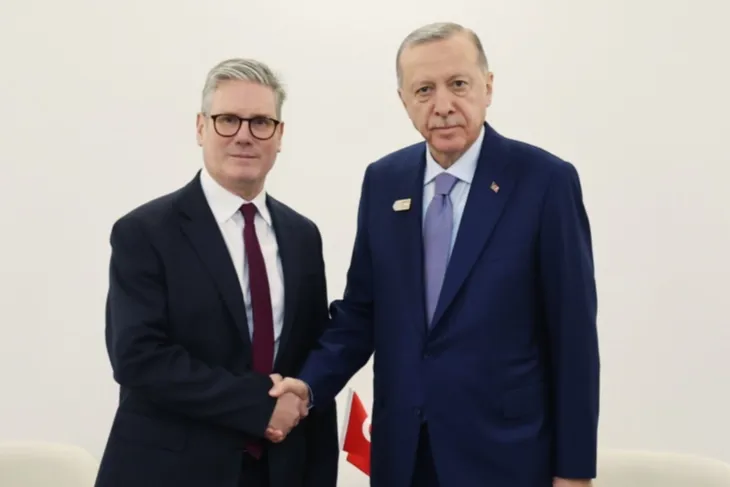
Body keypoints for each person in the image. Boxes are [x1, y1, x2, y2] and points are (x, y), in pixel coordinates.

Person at [269, 22, 600, 487]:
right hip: (404, 457)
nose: (442, 105)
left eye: (458, 84)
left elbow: (573, 337)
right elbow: (362, 312)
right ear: (404, 100)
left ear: (488, 87)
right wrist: (307, 385)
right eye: (424, 89)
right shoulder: (384, 180)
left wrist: (574, 472)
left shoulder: (544, 182)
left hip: (506, 459)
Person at [94, 58, 339, 487]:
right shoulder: (144, 232)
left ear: (279, 135)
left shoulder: (302, 235)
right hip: (172, 472)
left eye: (261, 122)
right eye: (227, 120)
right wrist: (258, 406)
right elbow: (139, 358)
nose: (244, 135)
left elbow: (306, 355)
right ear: (201, 127)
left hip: (280, 470)